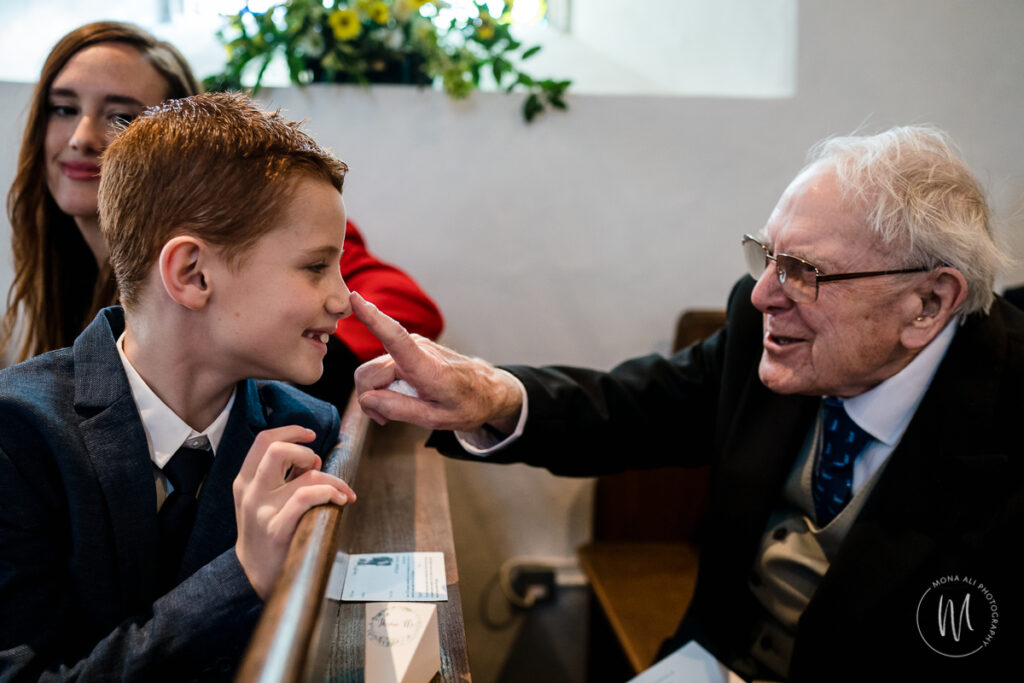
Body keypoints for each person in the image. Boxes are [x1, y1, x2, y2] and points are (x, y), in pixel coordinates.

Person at [350, 126, 1021, 681]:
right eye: (768, 257)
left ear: (929, 302)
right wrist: (489, 393)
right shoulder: (766, 333)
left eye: (805, 272)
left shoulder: (1005, 409)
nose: (763, 295)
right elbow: (628, 408)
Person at [0, 92, 357, 681]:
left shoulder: (304, 427)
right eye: (316, 266)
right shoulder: (18, 436)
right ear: (192, 274)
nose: (343, 298)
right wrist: (241, 575)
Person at [2, 21, 443, 406]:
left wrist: (289, 359)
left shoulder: (270, 226)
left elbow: (409, 305)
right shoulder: (55, 284)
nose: (81, 136)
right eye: (63, 109)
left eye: (120, 116)